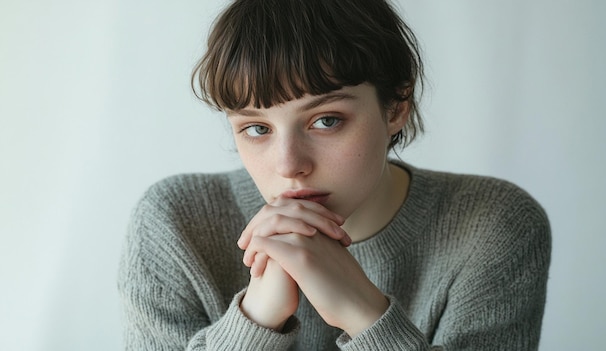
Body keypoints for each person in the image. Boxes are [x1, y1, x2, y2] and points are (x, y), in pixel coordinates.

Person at [118, 0, 551, 349]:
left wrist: (366, 316)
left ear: (397, 105)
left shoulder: (493, 225)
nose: (289, 164)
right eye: (256, 128)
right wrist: (255, 319)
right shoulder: (175, 223)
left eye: (326, 120)